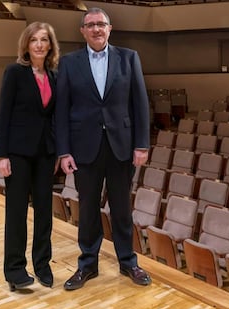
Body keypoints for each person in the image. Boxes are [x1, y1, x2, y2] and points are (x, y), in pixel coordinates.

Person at [56, 7, 151, 290]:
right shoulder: (69, 63)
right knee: (87, 210)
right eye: (91, 25)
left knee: (122, 208)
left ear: (110, 29)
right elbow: (61, 110)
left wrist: (142, 145)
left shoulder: (129, 58)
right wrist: (64, 151)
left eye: (101, 24)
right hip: (84, 148)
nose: (96, 29)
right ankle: (87, 265)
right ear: (82, 31)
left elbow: (140, 104)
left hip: (121, 146)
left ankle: (128, 262)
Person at [0, 21, 60, 291]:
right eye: (34, 40)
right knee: (17, 213)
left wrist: (57, 150)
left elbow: (55, 116)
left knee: (45, 212)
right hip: (18, 153)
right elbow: (4, 112)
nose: (40, 45)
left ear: (51, 45)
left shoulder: (54, 75)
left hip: (46, 152)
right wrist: (1, 155)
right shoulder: (14, 72)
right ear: (27, 44)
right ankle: (15, 270)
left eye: (44, 40)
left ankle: (42, 265)